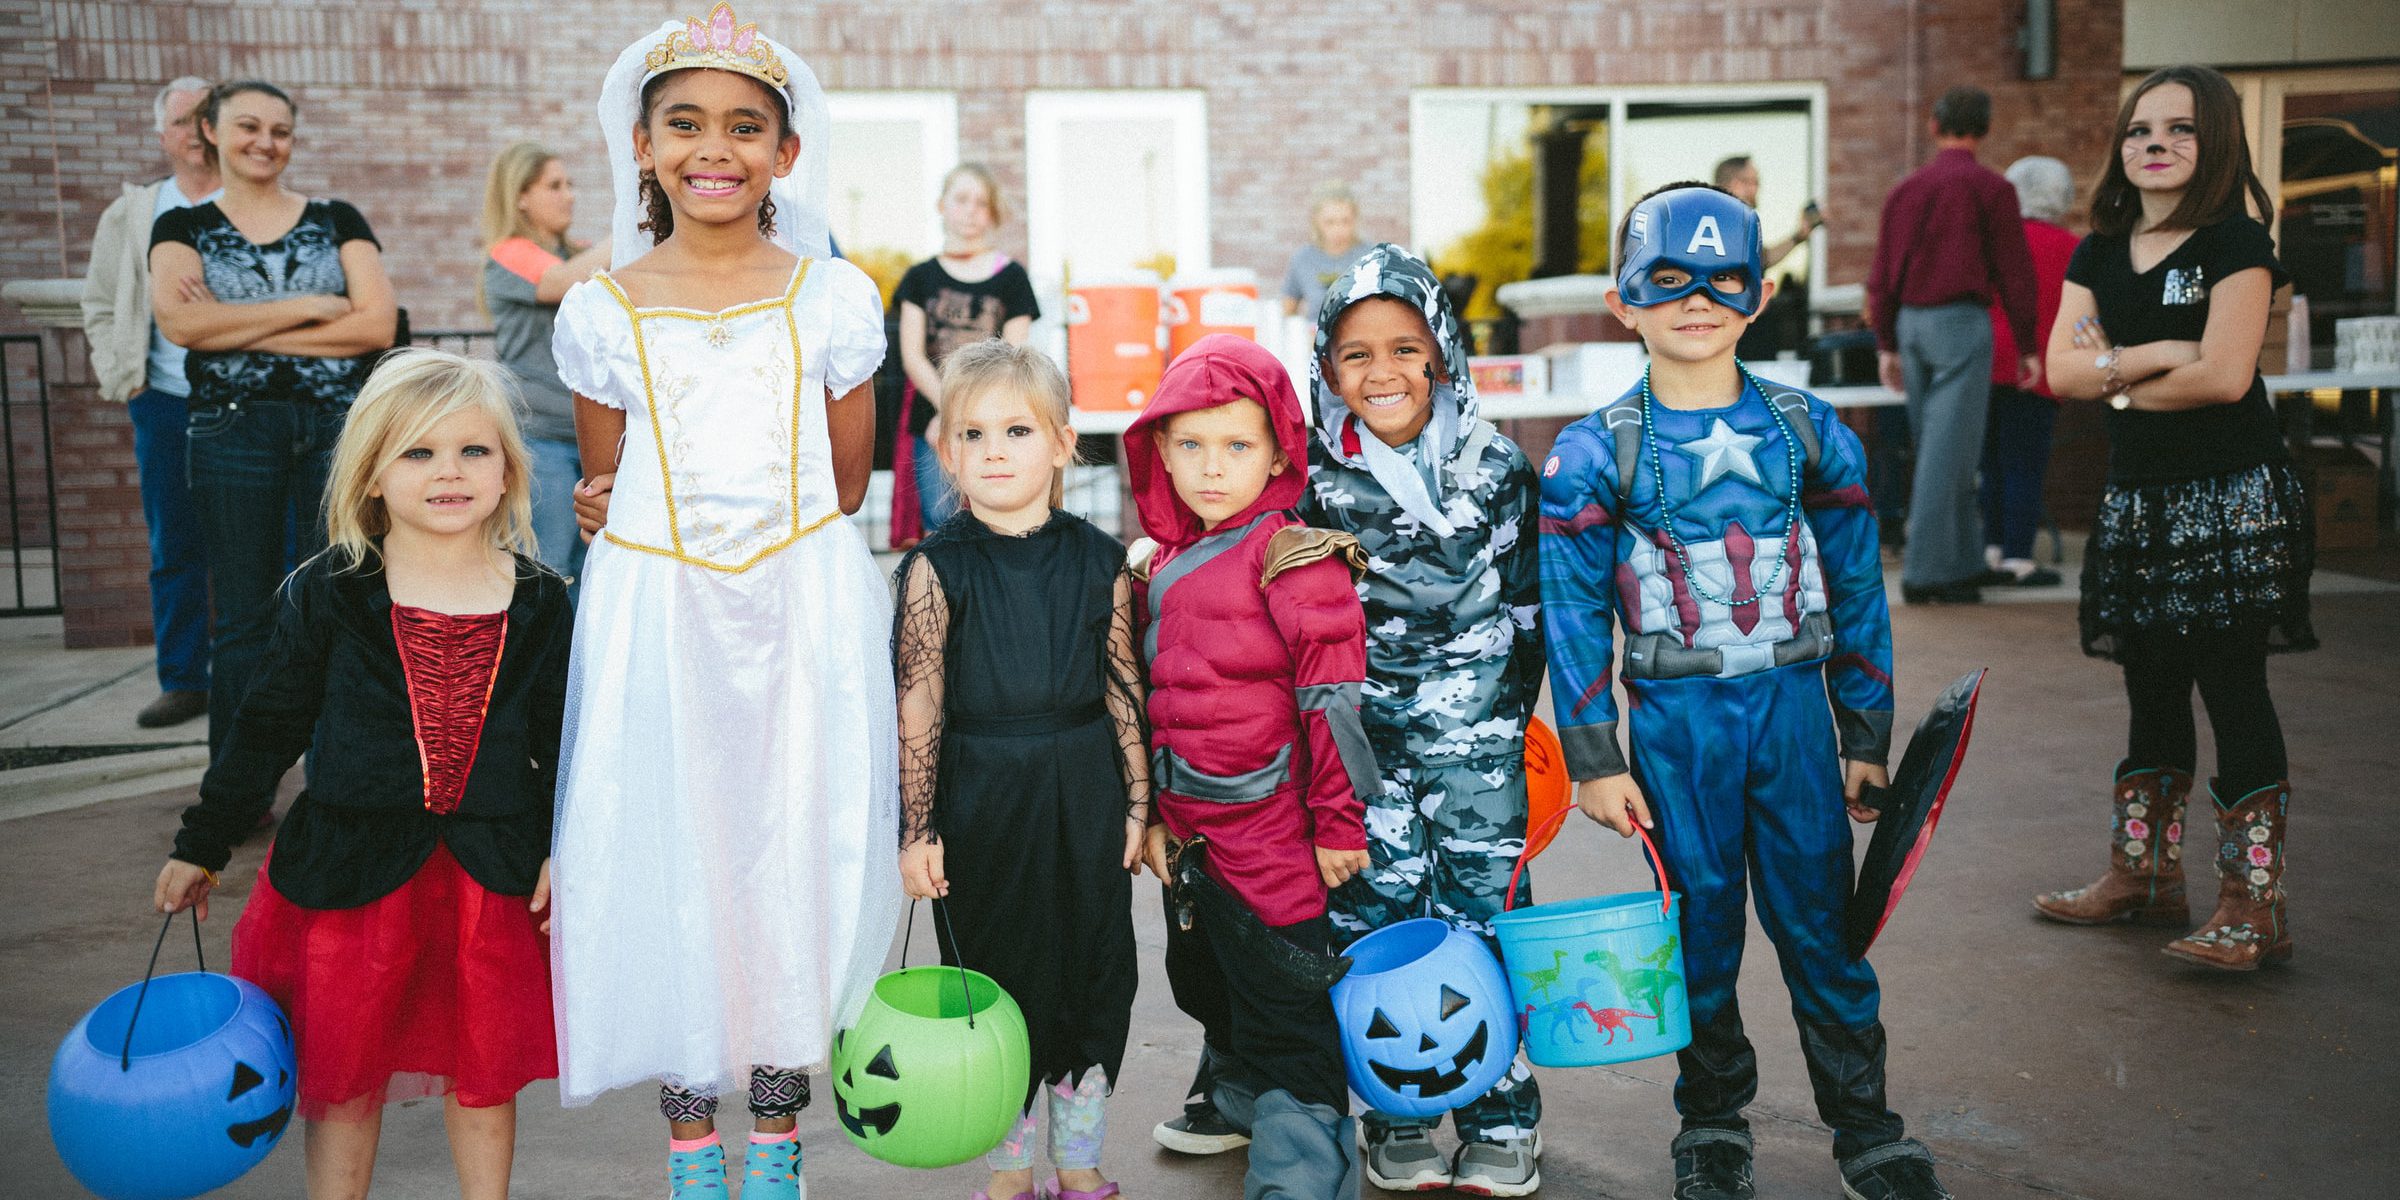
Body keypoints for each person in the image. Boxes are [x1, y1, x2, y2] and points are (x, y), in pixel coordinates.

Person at [545, 9, 900, 1197]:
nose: (717, 148)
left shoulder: (834, 297)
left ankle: (780, 1138)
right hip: (659, 617)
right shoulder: (603, 311)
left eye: (747, 127)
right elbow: (609, 473)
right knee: (670, 850)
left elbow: (846, 479)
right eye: (686, 124)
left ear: (786, 155)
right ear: (641, 147)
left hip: (799, 607)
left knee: (786, 847)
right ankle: (692, 1147)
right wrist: (613, 509)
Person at [1543, 184, 1952, 1200]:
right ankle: (1712, 1121)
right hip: (1677, 726)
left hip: (1793, 714)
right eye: (1667, 280)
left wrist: (1866, 732)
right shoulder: (1595, 451)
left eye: (1722, 279)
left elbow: (1858, 583)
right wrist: (1594, 755)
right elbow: (1570, 607)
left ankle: (1866, 1128)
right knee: (1698, 930)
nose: (1698, 299)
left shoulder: (1810, 429)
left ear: (1762, 292)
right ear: (1621, 299)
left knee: (1824, 928)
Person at [151, 349, 570, 1200]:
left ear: (508, 471)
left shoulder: (541, 598)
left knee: (482, 1073)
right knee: (343, 1078)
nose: (447, 472)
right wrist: (204, 842)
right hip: (349, 875)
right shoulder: (330, 591)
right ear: (373, 474)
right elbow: (266, 724)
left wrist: (566, 846)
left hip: (491, 875)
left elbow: (566, 742)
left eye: (472, 451)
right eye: (417, 453)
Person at [2031, 66, 2313, 973]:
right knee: (2149, 683)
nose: (2154, 143)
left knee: (2232, 686)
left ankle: (2252, 904)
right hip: (2140, 501)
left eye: (2180, 129)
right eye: (2139, 129)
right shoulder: (2098, 252)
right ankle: (2146, 877)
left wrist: (2114, 376)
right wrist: (2155, 356)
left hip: (2230, 497)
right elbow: (2062, 373)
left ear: (2217, 141)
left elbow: (2226, 378)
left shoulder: (2238, 244)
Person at [1296, 243, 1546, 1195]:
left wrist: (1495, 729)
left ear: (1441, 349)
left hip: (1477, 755)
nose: (1384, 372)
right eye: (1356, 355)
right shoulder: (1312, 480)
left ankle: (1503, 1117)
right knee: (1375, 919)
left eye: (1405, 347)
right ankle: (1395, 1115)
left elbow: (1528, 617)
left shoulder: (1496, 470)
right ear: (1326, 367)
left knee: (1486, 920)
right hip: (1360, 764)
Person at [892, 340, 1151, 1200]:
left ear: (1064, 443)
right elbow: (920, 706)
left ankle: (1077, 1157)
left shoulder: (1097, 558)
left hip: (1083, 787)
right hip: (982, 796)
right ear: (946, 453)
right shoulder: (937, 566)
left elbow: (1123, 685)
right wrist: (918, 828)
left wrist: (1139, 803)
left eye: (1016, 430)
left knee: (1094, 962)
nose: (995, 450)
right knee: (993, 973)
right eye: (972, 434)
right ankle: (1009, 1163)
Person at [1127, 334, 1379, 1200]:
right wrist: (1155, 818)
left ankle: (1301, 1173)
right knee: (1207, 979)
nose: (1211, 468)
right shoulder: (1159, 561)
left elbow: (1334, 702)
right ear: (1159, 448)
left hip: (1273, 829)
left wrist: (1339, 824)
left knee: (1284, 1004)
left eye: (1236, 446)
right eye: (1190, 445)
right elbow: (1158, 696)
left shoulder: (1293, 557)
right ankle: (1234, 1098)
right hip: (1191, 834)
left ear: (1277, 450)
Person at [149, 80, 398, 755]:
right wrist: (313, 306)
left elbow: (375, 324)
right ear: (211, 132)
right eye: (248, 127)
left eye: (280, 131)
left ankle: (335, 777)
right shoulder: (181, 227)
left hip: (333, 430)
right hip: (232, 431)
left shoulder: (338, 217)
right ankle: (238, 784)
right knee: (244, 618)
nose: (266, 142)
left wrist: (231, 328)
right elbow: (179, 323)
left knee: (337, 601)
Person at [80, 76, 218, 729]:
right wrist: (123, 377)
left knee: (269, 541)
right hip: (162, 402)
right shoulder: (135, 212)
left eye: (208, 117)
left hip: (244, 406)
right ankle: (185, 679)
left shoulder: (246, 201)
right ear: (163, 135)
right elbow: (100, 302)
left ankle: (268, 677)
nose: (197, 131)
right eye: (184, 120)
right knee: (175, 542)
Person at [1867, 86, 2038, 605]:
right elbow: (2015, 272)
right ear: (1983, 129)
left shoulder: (1906, 190)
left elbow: (1881, 274)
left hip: (1912, 325)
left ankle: (1961, 564)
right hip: (1961, 322)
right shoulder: (1992, 189)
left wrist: (1887, 343)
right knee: (1950, 452)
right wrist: (2028, 343)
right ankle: (1926, 573)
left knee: (1944, 448)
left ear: (1934, 126)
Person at [479, 141, 610, 590]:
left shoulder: (583, 252)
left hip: (596, 435)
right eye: (554, 185)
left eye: (569, 184)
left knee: (598, 568)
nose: (568, 194)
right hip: (539, 438)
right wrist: (628, 233)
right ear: (521, 196)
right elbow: (556, 283)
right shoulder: (509, 252)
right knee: (548, 570)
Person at [890, 163, 1040, 547]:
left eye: (981, 203)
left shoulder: (1012, 278)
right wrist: (951, 413)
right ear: (942, 205)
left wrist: (969, 416)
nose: (971, 210)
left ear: (992, 213)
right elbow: (913, 355)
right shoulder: (919, 278)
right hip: (934, 418)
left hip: (995, 421)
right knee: (942, 521)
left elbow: (1014, 356)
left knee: (995, 518)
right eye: (961, 199)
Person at [1978, 157, 2081, 588]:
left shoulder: (1993, 241)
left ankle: (1992, 550)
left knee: (1992, 463)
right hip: (2036, 365)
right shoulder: (2073, 247)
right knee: (2025, 464)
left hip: (1985, 363)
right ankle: (2019, 558)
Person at [1712, 155, 1822, 271]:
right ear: (1737, 185)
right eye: (1755, 182)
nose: (1758, 188)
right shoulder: (1722, 227)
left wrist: (1798, 236)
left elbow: (1764, 259)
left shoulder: (1728, 226)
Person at [1279, 182, 1368, 319]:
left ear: (1355, 220)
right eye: (1330, 222)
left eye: (1345, 221)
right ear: (1316, 221)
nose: (1338, 229)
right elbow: (1287, 311)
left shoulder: (1371, 257)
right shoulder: (1303, 259)